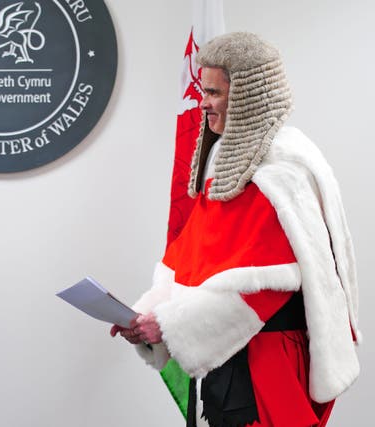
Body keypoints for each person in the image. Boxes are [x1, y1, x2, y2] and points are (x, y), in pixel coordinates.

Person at [111, 32, 360, 427]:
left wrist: (170, 324)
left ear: (248, 95)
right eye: (202, 90)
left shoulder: (283, 175)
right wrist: (146, 316)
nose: (203, 102)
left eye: (213, 92)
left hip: (267, 362)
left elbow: (262, 288)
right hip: (228, 360)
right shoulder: (231, 169)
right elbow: (191, 259)